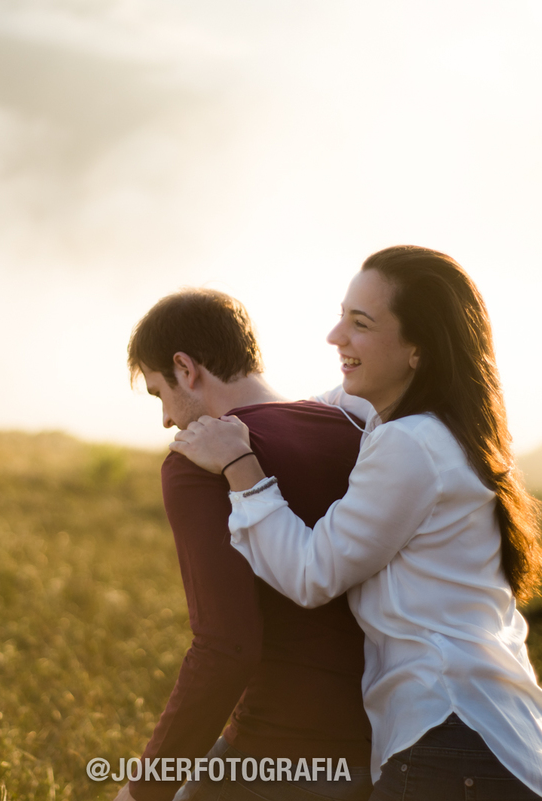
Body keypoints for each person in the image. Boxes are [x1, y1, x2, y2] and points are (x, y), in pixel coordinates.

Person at [169, 247, 542, 801]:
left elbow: (311, 574)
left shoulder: (410, 444)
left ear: (418, 349)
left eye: (360, 324)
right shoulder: (424, 424)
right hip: (505, 744)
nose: (336, 335)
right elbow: (303, 408)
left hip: (454, 747)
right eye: (342, 315)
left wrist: (242, 466)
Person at [116, 288, 375, 801]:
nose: (167, 418)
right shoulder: (355, 430)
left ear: (186, 368)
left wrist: (145, 790)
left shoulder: (197, 460)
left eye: (158, 393)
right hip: (379, 745)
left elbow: (225, 647)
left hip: (276, 750)